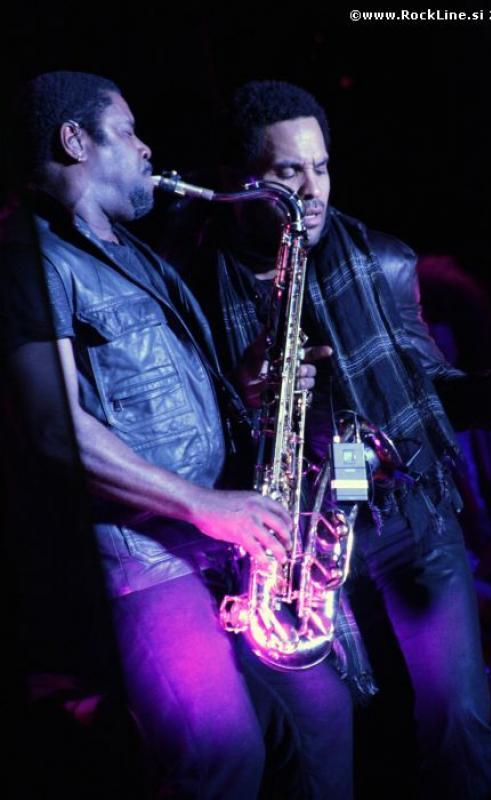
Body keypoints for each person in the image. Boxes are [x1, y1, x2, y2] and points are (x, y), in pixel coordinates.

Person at [170, 80, 491, 799]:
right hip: (290, 544)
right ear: (238, 181)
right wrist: (242, 394)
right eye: (288, 171)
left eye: (321, 167)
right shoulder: (190, 284)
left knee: (460, 728)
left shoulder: (383, 260)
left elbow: (428, 390)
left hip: (404, 517)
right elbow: (189, 444)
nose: (311, 191)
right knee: (330, 758)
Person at [0, 72, 355, 799]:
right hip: (140, 559)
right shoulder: (26, 257)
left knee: (321, 719)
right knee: (223, 758)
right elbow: (53, 428)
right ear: (74, 140)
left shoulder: (137, 253)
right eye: (127, 131)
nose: (146, 148)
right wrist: (203, 504)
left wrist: (249, 386)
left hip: (215, 544)